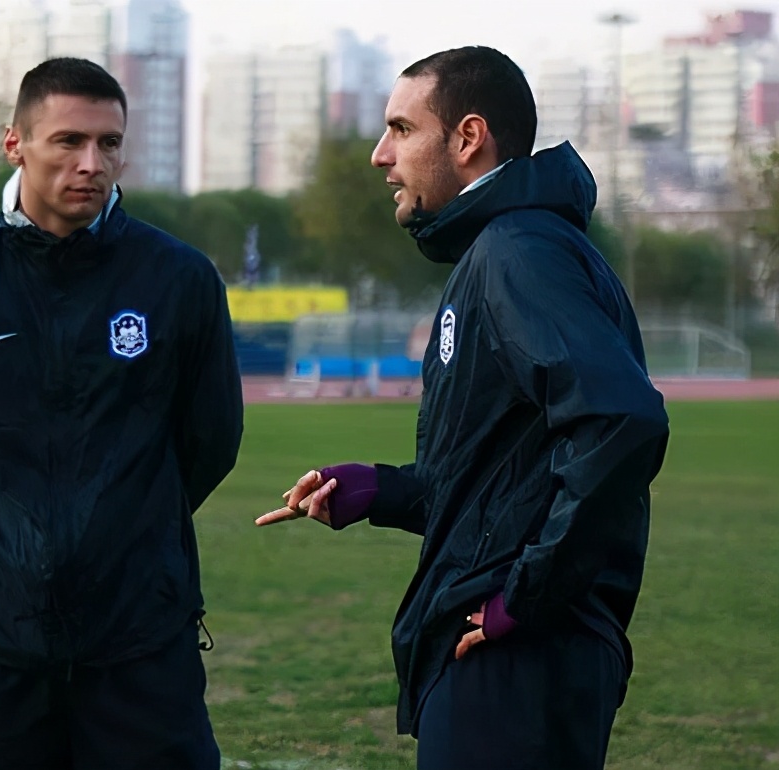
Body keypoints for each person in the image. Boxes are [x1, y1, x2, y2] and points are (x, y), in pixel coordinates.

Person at [255, 46, 670, 770]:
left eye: (402, 129)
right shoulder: (504, 247)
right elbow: (501, 485)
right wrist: (380, 489)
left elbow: (620, 423)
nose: (382, 155)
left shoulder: (519, 251)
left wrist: (526, 598)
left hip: (519, 654)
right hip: (515, 650)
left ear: (468, 137)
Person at [0, 57, 243, 769]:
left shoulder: (179, 280)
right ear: (15, 144)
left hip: (144, 641)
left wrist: (128, 536)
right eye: (69, 142)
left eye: (109, 144)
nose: (92, 163)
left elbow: (210, 440)